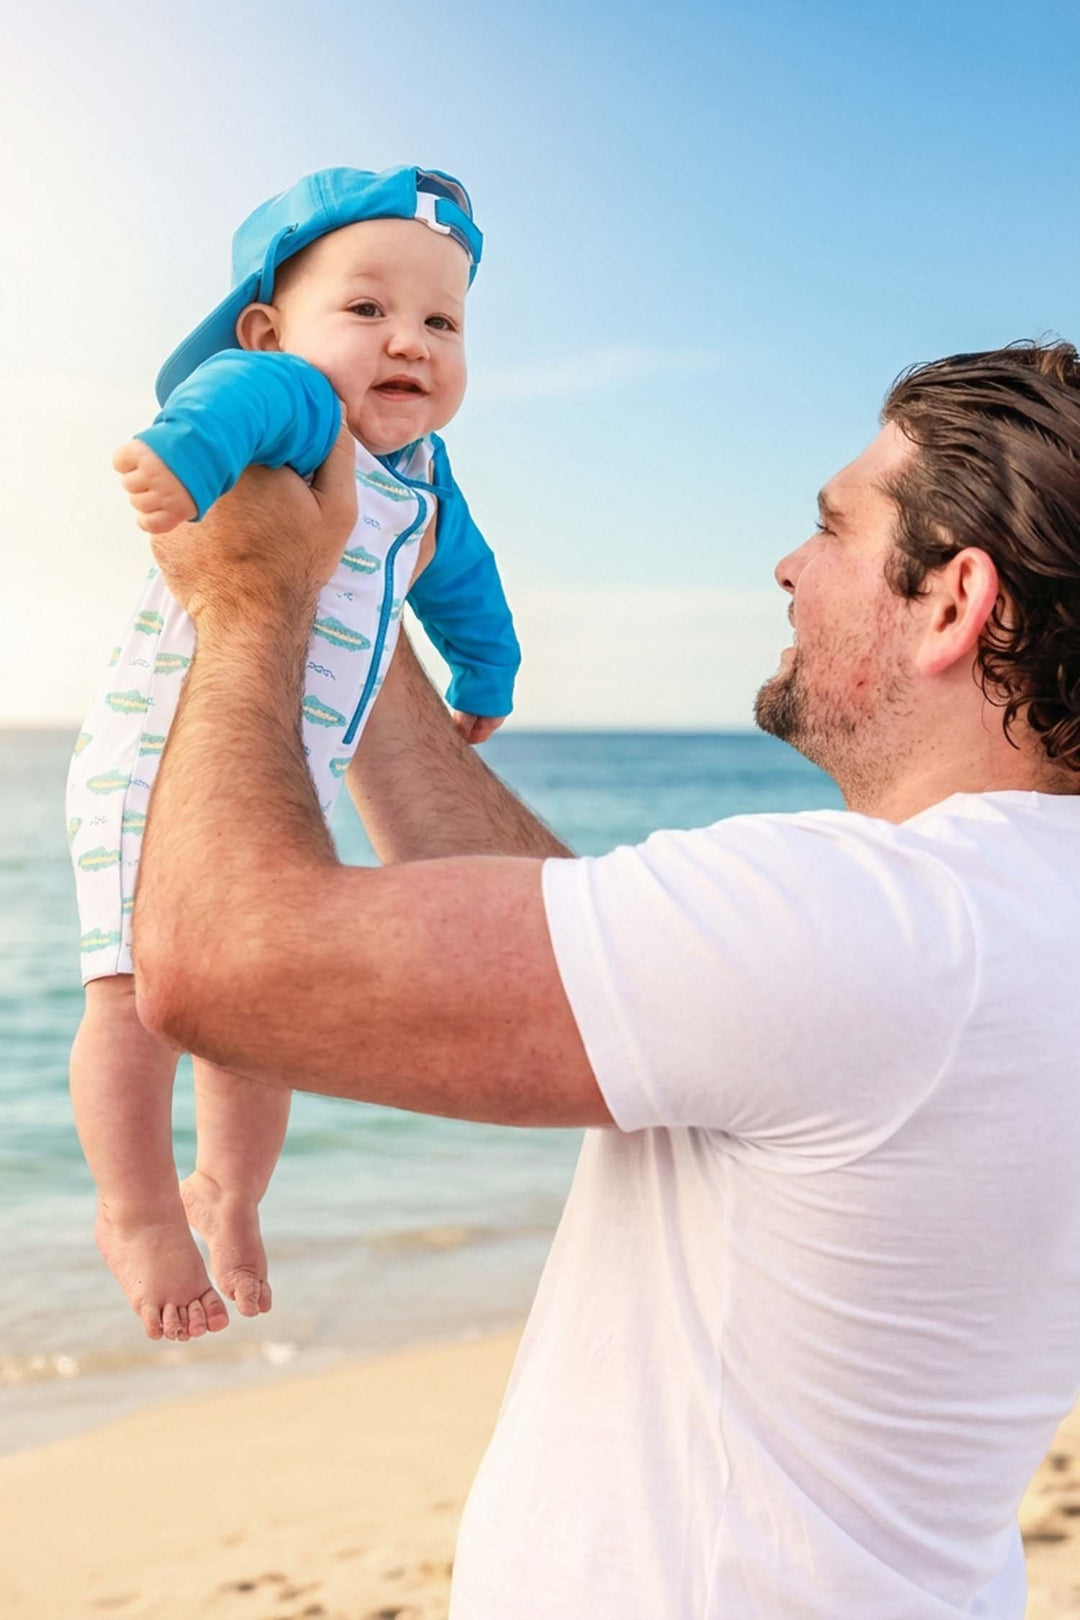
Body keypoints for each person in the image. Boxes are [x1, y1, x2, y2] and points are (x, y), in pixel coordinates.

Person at [133, 339, 1080, 1619]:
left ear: (955, 602)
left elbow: (219, 965)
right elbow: (567, 972)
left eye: (831, 528)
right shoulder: (997, 917)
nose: (790, 564)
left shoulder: (897, 924)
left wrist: (249, 600)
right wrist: (353, 604)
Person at [65, 164, 519, 1343]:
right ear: (277, 325)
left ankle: (233, 1191)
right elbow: (233, 400)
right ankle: (137, 1208)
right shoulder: (295, 402)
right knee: (132, 993)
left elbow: (466, 586)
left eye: (440, 321)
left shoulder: (424, 484)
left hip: (285, 769)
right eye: (366, 310)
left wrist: (489, 673)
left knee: (258, 1003)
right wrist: (181, 459)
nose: (406, 342)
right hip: (161, 755)